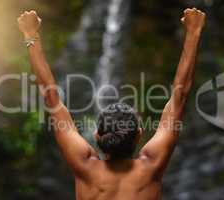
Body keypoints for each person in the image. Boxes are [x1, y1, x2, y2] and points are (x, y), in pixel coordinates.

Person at [17, 7, 205, 200]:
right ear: (138, 135)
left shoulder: (84, 166)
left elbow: (50, 97)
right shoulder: (152, 166)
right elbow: (180, 95)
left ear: (97, 136)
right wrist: (194, 32)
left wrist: (30, 35)